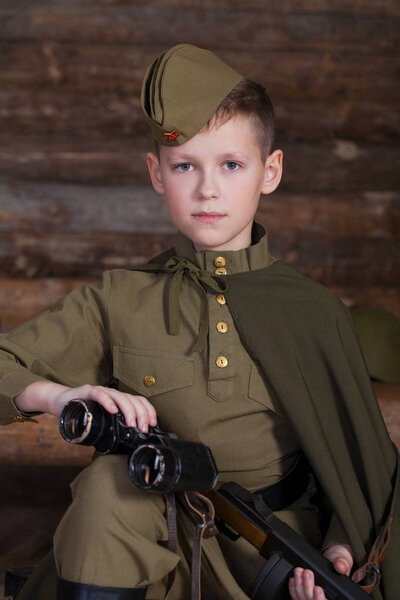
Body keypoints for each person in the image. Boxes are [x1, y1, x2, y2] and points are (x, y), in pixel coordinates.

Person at [0, 44, 398, 600]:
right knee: (106, 487)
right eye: (185, 165)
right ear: (156, 174)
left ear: (271, 171)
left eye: (231, 165)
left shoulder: (313, 311)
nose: (207, 189)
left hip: (270, 550)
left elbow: (357, 469)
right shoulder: (121, 298)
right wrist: (57, 396)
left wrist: (340, 549)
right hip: (149, 537)